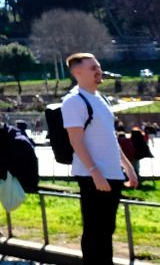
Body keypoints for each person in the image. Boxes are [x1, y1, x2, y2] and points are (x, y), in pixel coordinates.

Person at [62, 53, 139, 265]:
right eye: (92, 68)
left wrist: (127, 167)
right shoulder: (74, 101)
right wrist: (95, 172)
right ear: (77, 72)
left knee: (106, 230)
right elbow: (76, 141)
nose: (99, 71)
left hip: (111, 174)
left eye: (98, 66)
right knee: (95, 232)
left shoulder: (101, 99)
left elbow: (110, 137)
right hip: (92, 175)